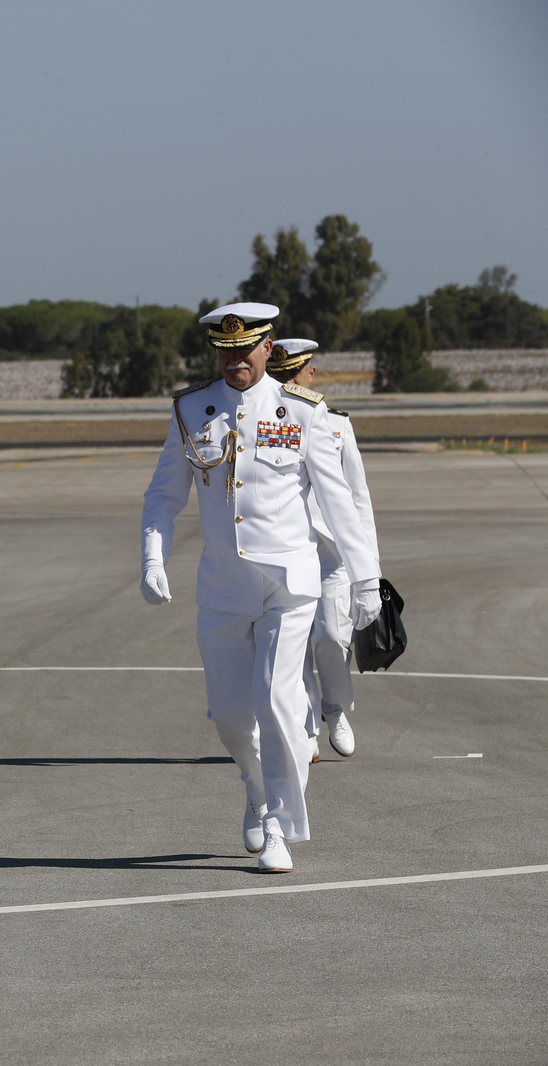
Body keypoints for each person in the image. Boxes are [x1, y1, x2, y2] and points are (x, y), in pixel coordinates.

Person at [140, 303, 381, 873]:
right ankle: (254, 784)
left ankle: (277, 822)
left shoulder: (302, 412)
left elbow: (341, 504)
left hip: (288, 585)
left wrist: (366, 579)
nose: (233, 362)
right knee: (228, 715)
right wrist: (153, 555)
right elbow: (162, 495)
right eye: (223, 352)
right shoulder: (191, 409)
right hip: (223, 587)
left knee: (277, 702)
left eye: (244, 351)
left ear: (267, 348)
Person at [267, 338, 379, 763]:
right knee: (291, 647)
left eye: (292, 376)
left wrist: (370, 569)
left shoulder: (337, 425)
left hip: (331, 554)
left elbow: (358, 500)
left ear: (310, 374)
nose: (285, 385)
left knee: (332, 638)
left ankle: (335, 708)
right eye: (278, 377)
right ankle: (306, 726)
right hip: (287, 551)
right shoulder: (265, 422)